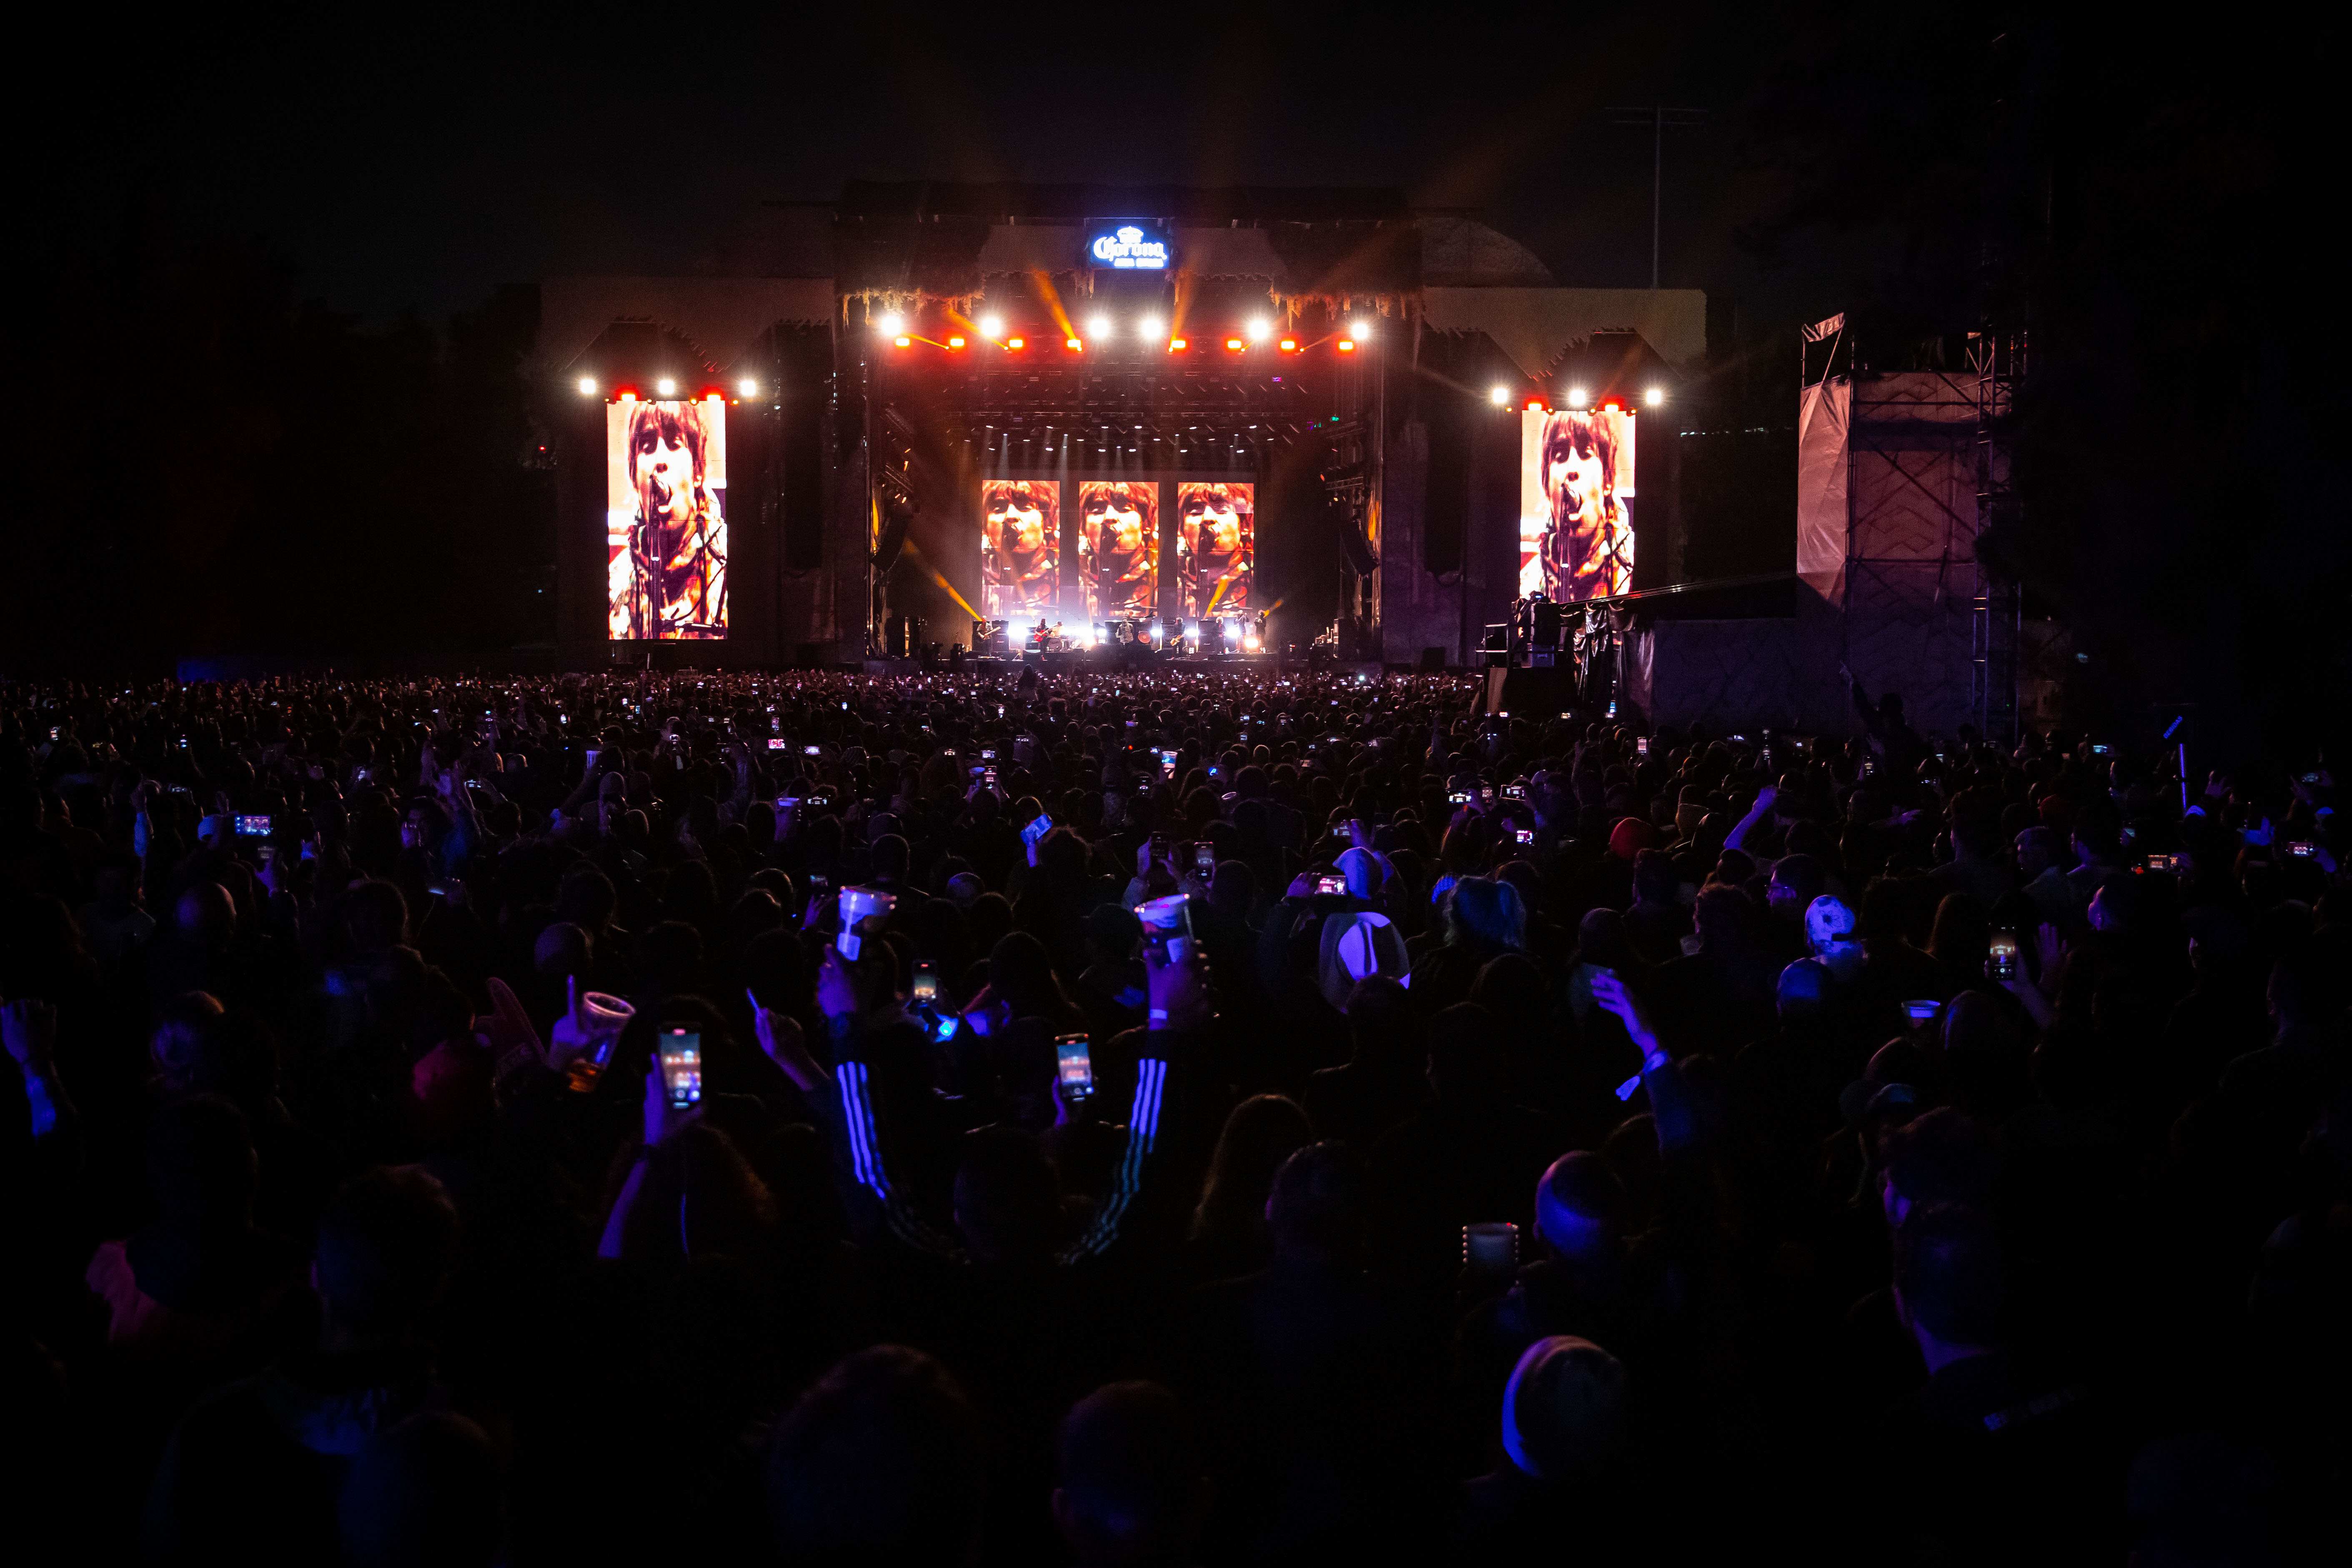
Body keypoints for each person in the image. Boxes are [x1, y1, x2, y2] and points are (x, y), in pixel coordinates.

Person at [608, 397, 727, 640]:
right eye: (647, 448)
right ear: (634, 476)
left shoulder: (727, 564)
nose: (660, 460)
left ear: (697, 472)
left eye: (674, 444)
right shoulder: (614, 582)